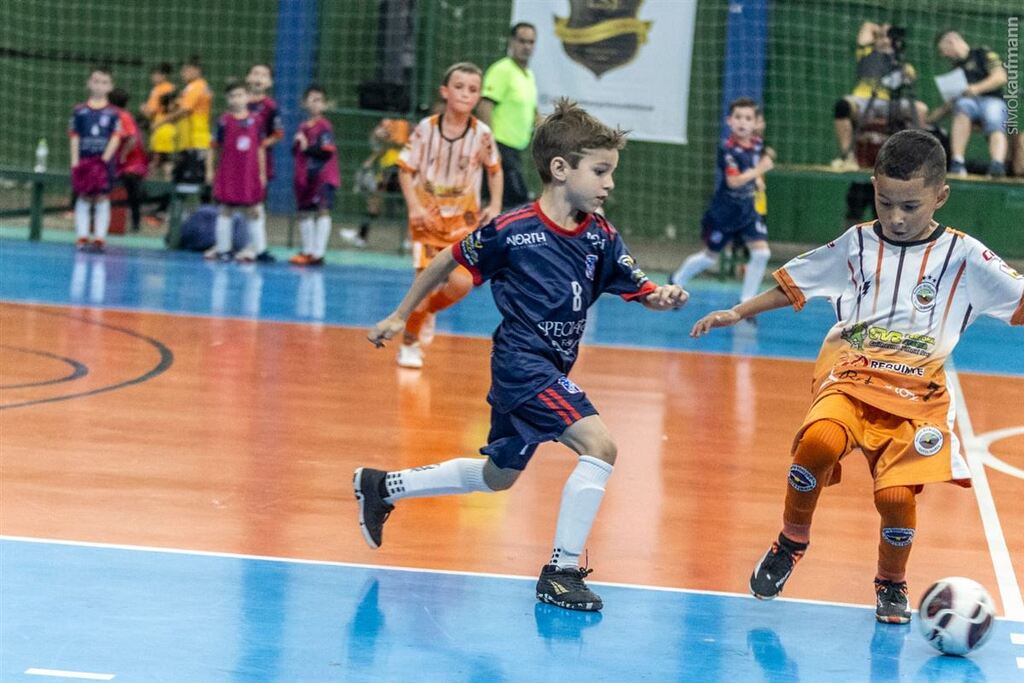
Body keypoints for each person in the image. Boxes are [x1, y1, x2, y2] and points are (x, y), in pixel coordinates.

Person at [357, 98, 690, 612]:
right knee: (600, 446)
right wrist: (401, 315)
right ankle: (560, 572)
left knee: (498, 477)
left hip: (551, 366)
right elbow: (447, 258)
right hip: (522, 365)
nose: (609, 183)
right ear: (560, 170)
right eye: (600, 171)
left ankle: (384, 487)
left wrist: (661, 296)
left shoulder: (601, 237)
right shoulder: (514, 230)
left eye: (611, 172)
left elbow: (639, 286)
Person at [690, 129, 1024, 624]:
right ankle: (791, 540)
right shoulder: (857, 245)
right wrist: (738, 311)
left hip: (919, 393)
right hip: (852, 374)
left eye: (910, 206)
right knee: (818, 442)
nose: (895, 216)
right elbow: (795, 283)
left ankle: (891, 581)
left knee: (894, 499)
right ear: (872, 187)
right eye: (885, 202)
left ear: (941, 196)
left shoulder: (966, 257)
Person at [392, 62, 503, 369]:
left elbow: (495, 170)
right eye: (459, 87)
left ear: (479, 96)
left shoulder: (482, 135)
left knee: (461, 284)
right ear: (444, 91)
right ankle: (409, 344)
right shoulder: (426, 129)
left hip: (462, 224)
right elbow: (404, 170)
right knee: (424, 285)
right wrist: (414, 206)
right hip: (427, 221)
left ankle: (428, 313)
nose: (465, 94)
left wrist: (494, 205)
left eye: (472, 89)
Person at [670, 98, 774, 304]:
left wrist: (759, 180)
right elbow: (734, 181)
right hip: (725, 212)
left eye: (748, 118)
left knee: (762, 253)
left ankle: (746, 301)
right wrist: (759, 171)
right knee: (709, 257)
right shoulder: (727, 150)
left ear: (755, 123)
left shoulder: (756, 144)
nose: (742, 122)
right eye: (738, 117)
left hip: (747, 209)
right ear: (729, 121)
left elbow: (759, 160)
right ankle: (676, 281)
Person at [831, 22, 928, 171]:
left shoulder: (903, 65)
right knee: (843, 106)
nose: (885, 40)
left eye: (889, 38)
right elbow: (867, 26)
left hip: (890, 104)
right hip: (863, 100)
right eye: (881, 37)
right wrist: (884, 31)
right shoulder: (865, 53)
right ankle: (847, 156)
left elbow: (908, 85)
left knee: (920, 109)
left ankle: (917, 160)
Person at [930, 30, 1009, 177]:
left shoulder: (983, 54)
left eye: (943, 50)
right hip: (968, 104)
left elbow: (1000, 77)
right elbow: (952, 101)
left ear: (951, 42)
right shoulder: (955, 69)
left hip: (992, 100)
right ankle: (958, 162)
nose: (943, 55)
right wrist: (931, 118)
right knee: (962, 106)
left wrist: (975, 89)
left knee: (994, 115)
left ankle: (997, 165)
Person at [478, 22, 539, 209]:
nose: (526, 46)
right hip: (500, 148)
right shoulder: (502, 70)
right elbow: (484, 105)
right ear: (511, 42)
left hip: (515, 150)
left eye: (531, 42)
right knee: (518, 203)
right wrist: (490, 145)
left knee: (493, 203)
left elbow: (532, 111)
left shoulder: (528, 75)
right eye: (522, 41)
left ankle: (484, 238)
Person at [204, 81, 266, 261]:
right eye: (232, 96)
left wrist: (261, 173)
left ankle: (258, 250)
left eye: (240, 95)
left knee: (253, 209)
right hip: (229, 172)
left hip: (249, 173)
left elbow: (260, 148)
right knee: (225, 208)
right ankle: (224, 249)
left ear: (247, 97)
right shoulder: (224, 120)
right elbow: (213, 147)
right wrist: (209, 169)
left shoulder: (256, 120)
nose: (236, 99)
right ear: (227, 99)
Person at [69, 66, 122, 252]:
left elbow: (116, 137)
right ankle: (82, 236)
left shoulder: (114, 113)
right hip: (84, 161)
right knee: (84, 196)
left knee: (101, 197)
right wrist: (75, 161)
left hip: (103, 162)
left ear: (110, 87)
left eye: (104, 82)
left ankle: (100, 238)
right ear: (89, 83)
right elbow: (74, 136)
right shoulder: (79, 111)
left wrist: (104, 160)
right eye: (96, 81)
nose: (100, 86)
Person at [289, 85, 341, 266]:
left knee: (322, 209)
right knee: (305, 211)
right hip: (306, 176)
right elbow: (295, 152)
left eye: (319, 100)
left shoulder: (324, 126)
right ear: (304, 103)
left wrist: (307, 148)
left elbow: (326, 151)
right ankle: (308, 250)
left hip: (323, 175)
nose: (315, 103)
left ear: (325, 105)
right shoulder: (303, 127)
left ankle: (319, 253)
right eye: (312, 99)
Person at [239, 62, 285, 262]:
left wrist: (259, 145)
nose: (258, 78)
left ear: (269, 82)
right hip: (236, 159)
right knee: (232, 201)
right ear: (248, 78)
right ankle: (230, 243)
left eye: (263, 75)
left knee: (255, 201)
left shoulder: (270, 107)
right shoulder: (239, 102)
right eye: (255, 73)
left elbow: (279, 134)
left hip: (259, 160)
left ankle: (257, 246)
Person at [341, 117, 410, 248]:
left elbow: (401, 144)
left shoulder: (404, 126)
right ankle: (361, 236)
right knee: (374, 204)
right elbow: (379, 147)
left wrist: (388, 138)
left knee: (409, 205)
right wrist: (371, 158)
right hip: (386, 168)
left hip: (399, 169)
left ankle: (410, 240)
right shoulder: (386, 129)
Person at [164, 55, 212, 187]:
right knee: (180, 175)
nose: (182, 73)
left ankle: (199, 207)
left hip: (195, 140)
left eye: (186, 70)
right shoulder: (190, 87)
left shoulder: (197, 86)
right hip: (188, 140)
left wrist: (163, 121)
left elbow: (185, 109)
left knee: (193, 179)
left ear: (197, 70)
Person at [109, 88, 148, 233]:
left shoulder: (122, 116)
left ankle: (136, 222)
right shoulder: (119, 115)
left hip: (132, 162)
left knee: (132, 184)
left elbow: (132, 139)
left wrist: (124, 155)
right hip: (121, 162)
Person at [141, 63, 176, 184]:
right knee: (165, 159)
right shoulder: (172, 87)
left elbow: (151, 111)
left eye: (155, 74)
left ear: (163, 75)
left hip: (161, 127)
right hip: (170, 127)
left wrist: (144, 109)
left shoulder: (159, 89)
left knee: (155, 160)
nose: (153, 77)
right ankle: (168, 184)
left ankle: (150, 186)